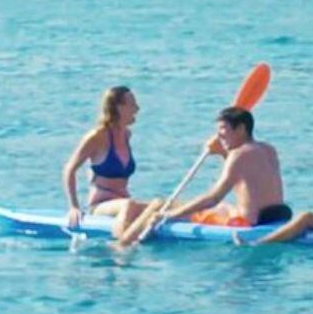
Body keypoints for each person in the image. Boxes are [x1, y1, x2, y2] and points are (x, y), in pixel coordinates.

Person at [119, 106, 287, 244]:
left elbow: (213, 198)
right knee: (222, 208)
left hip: (246, 223)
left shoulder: (238, 155)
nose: (219, 135)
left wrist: (170, 215)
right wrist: (222, 153)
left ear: (241, 129)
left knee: (159, 204)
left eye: (223, 129)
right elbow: (243, 178)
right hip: (274, 216)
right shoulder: (268, 150)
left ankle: (123, 244)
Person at [61, 86, 153, 239]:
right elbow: (69, 170)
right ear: (118, 108)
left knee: (159, 204)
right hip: (100, 205)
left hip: (123, 201)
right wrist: (74, 207)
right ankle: (120, 246)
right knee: (130, 205)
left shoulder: (126, 135)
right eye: (132, 104)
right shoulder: (97, 137)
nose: (137, 109)